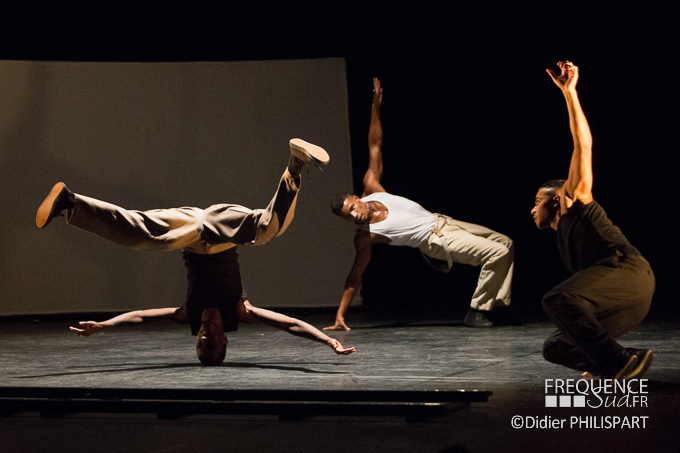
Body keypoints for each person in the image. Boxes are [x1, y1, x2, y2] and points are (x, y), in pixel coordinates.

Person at [37, 139, 355, 364]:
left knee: (143, 234)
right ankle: (294, 167)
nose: (203, 338)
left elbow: (141, 318)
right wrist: (326, 340)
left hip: (188, 229)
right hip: (222, 229)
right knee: (266, 229)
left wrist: (104, 325)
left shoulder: (188, 316)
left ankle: (70, 202)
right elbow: (287, 323)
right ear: (224, 339)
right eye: (211, 343)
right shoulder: (239, 312)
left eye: (200, 345)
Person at [324, 78, 514, 330]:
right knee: (496, 253)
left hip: (444, 221)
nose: (354, 215)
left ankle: (496, 306)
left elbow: (375, 144)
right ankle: (477, 310)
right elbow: (355, 276)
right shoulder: (366, 238)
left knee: (506, 243)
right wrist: (340, 314)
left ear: (356, 199)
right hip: (434, 240)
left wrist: (375, 108)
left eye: (352, 208)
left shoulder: (372, 186)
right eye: (348, 217)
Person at [532, 61, 654, 380]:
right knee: (556, 347)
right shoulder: (566, 238)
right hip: (623, 299)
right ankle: (618, 362)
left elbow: (582, 145)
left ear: (556, 198)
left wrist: (570, 92)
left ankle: (616, 361)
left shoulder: (575, 201)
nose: (532, 210)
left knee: (558, 298)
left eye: (536, 201)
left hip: (628, 273)